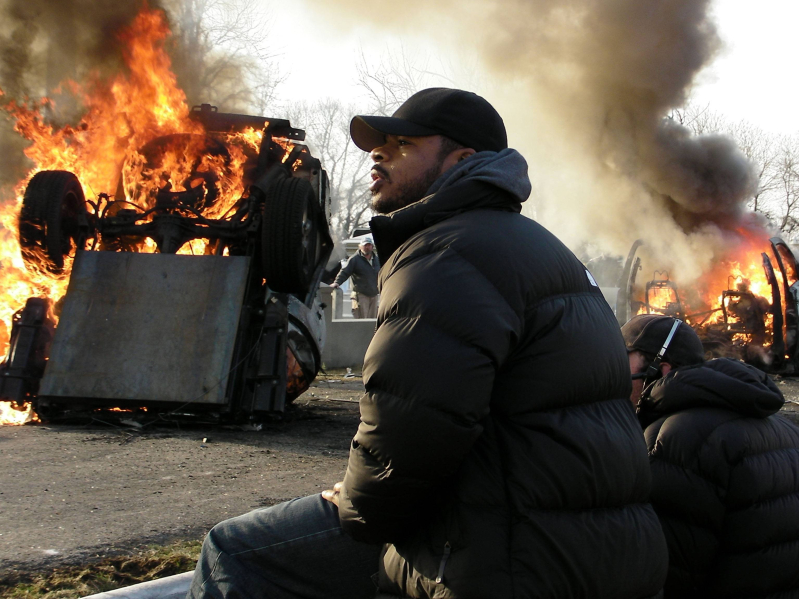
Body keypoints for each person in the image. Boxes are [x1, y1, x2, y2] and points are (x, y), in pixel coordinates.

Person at [187, 88, 667, 599]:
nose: (378, 153)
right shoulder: (540, 250)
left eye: (403, 144)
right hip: (594, 551)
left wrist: (355, 501)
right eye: (379, 144)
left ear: (461, 160)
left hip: (510, 557)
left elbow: (411, 433)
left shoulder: (447, 255)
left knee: (231, 550)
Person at [622, 314, 799, 598]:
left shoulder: (673, 441)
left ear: (661, 369)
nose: (615, 375)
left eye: (624, 361)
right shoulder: (784, 429)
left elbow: (671, 573)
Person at [330, 237, 380, 318]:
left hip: (374, 295)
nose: (367, 247)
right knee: (362, 320)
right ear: (360, 246)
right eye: (365, 245)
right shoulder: (354, 259)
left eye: (369, 245)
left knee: (373, 321)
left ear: (372, 246)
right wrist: (337, 282)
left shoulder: (377, 260)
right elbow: (345, 272)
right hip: (360, 294)